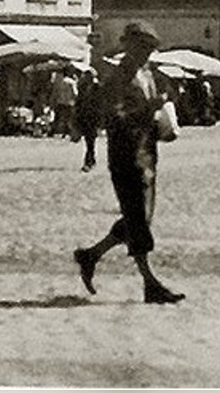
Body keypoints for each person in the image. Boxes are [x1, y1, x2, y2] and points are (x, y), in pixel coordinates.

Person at [73, 21, 184, 305]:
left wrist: (159, 118)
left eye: (150, 49)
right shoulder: (119, 77)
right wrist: (149, 109)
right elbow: (113, 117)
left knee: (142, 218)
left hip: (146, 152)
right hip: (125, 155)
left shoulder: (146, 74)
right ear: (129, 46)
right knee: (138, 219)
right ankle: (150, 284)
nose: (147, 54)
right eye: (143, 48)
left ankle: (91, 255)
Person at [73, 68, 102, 172]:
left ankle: (89, 161)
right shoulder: (82, 88)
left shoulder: (97, 88)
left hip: (93, 117)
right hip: (84, 116)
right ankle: (91, 159)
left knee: (90, 140)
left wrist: (100, 119)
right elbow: (78, 103)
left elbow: (100, 104)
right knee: (88, 140)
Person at [53, 69, 78, 140]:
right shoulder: (71, 82)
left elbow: (55, 93)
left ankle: (64, 132)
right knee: (70, 119)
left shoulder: (59, 83)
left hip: (61, 102)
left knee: (63, 118)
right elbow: (75, 93)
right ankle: (70, 133)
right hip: (70, 103)